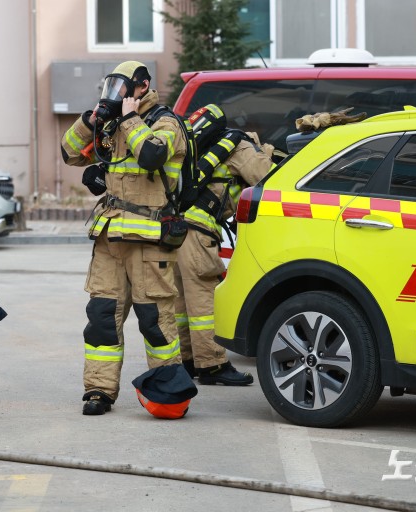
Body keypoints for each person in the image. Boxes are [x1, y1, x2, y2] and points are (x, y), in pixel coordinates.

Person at [60, 61, 188, 415]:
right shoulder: (113, 123)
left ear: (142, 86)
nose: (115, 95)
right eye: (111, 88)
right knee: (102, 317)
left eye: (122, 88)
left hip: (149, 241)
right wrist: (91, 120)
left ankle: (169, 393)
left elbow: (151, 156)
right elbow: (69, 152)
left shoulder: (165, 122)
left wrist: (130, 119)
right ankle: (98, 390)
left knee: (155, 321)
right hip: (110, 238)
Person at [174, 104, 273, 385]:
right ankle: (212, 365)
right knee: (203, 298)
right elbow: (266, 177)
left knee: (180, 302)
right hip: (198, 231)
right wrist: (262, 149)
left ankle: (187, 361)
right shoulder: (240, 145)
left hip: (173, 227)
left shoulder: (193, 143)